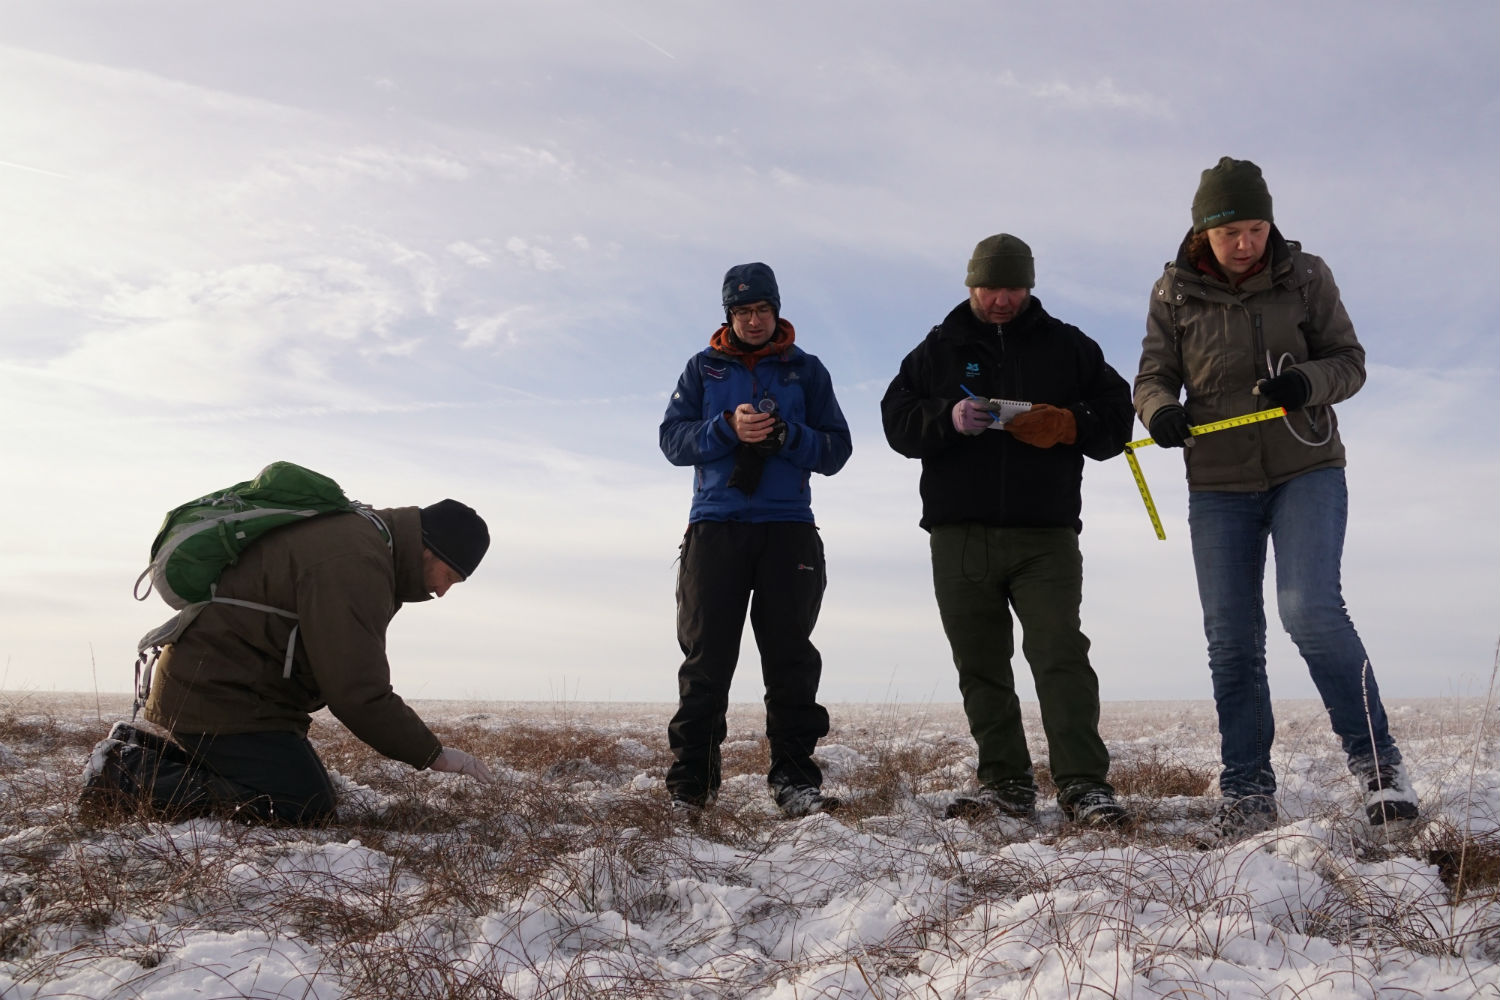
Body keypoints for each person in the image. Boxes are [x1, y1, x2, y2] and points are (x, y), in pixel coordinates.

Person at [1134, 156, 1419, 842]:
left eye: (1256, 229)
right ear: (1204, 233)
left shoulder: (1307, 275)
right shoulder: (1173, 292)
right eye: (1231, 232)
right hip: (1218, 485)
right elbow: (1152, 375)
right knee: (1232, 640)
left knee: (1309, 609)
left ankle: (1381, 771)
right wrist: (1159, 412)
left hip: (1306, 467)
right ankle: (1248, 792)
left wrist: (1308, 384)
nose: (1246, 244)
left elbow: (1349, 360)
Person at [881, 234, 1133, 828]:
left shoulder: (1069, 347)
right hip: (958, 533)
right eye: (989, 287)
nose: (999, 299)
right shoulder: (936, 349)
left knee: (1059, 653)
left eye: (1012, 287)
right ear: (971, 285)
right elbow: (896, 422)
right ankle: (1006, 784)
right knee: (981, 663)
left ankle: (1084, 786)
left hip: (1045, 535)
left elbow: (1117, 420)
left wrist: (1070, 424)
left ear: (1030, 286)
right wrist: (945, 418)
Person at [79, 499, 496, 824]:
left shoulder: (363, 541)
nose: (443, 591)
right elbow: (355, 691)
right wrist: (433, 753)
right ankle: (121, 775)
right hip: (220, 695)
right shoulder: (357, 562)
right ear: (431, 550)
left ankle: (139, 750)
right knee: (303, 804)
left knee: (303, 787)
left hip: (232, 692)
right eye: (451, 577)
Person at [659, 262, 852, 818]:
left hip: (788, 529)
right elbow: (671, 440)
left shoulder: (806, 371)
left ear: (777, 310)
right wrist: (726, 429)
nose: (752, 320)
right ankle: (691, 788)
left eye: (761, 309)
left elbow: (837, 450)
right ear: (729, 315)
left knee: (791, 658)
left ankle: (795, 782)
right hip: (714, 528)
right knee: (706, 659)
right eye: (742, 311)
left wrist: (789, 437)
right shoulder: (702, 370)